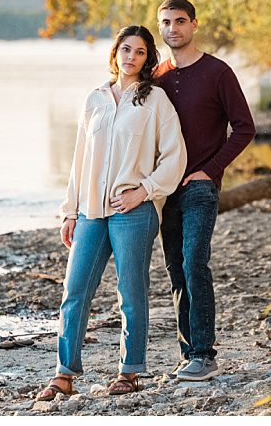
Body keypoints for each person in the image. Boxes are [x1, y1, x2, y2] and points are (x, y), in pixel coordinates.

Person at [36, 25, 187, 400]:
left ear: (147, 57)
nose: (131, 57)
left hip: (132, 212)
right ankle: (64, 374)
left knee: (130, 292)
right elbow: (79, 160)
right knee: (74, 291)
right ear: (115, 52)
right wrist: (69, 211)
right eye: (125, 49)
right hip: (90, 211)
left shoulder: (155, 101)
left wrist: (145, 191)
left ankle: (129, 371)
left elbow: (175, 156)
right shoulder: (95, 99)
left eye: (139, 51)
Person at [154, 0, 256, 381]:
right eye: (166, 22)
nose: (173, 28)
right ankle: (188, 353)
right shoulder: (156, 76)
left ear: (194, 25)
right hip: (165, 190)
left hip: (200, 186)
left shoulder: (218, 72)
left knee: (195, 261)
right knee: (174, 269)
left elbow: (245, 128)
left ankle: (204, 355)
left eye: (180, 21)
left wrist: (210, 170)